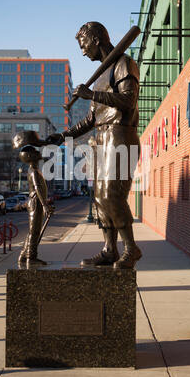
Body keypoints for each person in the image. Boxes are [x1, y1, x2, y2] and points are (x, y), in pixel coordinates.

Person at [46, 22, 142, 269]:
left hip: (121, 135)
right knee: (99, 197)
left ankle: (131, 249)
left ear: (96, 39)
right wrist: (64, 136)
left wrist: (92, 95)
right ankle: (109, 249)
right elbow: (91, 119)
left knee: (112, 195)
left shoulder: (123, 63)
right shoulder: (100, 75)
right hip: (101, 137)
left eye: (84, 44)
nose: (82, 51)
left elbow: (128, 101)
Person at [18, 145, 50, 266]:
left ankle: (23, 256)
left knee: (33, 231)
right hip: (36, 202)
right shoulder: (34, 172)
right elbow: (37, 189)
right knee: (35, 231)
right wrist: (45, 204)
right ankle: (31, 258)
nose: (38, 153)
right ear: (31, 156)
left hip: (36, 202)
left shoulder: (34, 170)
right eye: (36, 152)